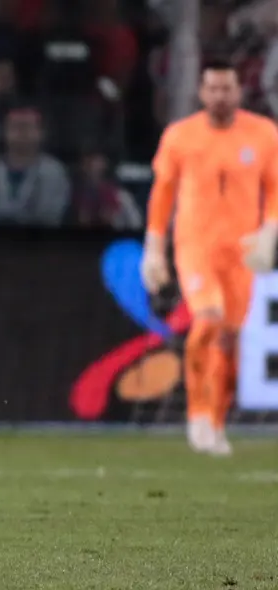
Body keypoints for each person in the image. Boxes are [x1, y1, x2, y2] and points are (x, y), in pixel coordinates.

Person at [141, 59, 278, 456]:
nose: (220, 96)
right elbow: (162, 193)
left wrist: (270, 231)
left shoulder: (264, 134)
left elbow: (274, 191)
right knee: (208, 320)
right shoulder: (180, 137)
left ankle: (216, 421)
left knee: (231, 338)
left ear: (240, 91)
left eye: (227, 88)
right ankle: (197, 416)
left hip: (243, 251)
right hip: (195, 246)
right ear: (201, 92)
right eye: (213, 89)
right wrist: (153, 246)